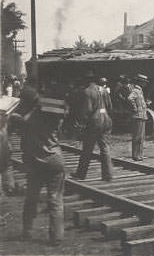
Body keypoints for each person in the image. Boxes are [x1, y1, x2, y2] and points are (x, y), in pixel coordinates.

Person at [12, 96, 67, 245]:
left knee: (31, 198)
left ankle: (27, 232)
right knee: (55, 199)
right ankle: (57, 237)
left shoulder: (29, 121)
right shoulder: (56, 121)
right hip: (55, 161)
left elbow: (18, 119)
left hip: (36, 164)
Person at [72, 72, 114, 180]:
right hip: (106, 120)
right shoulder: (104, 90)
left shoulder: (87, 92)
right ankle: (108, 175)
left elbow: (87, 110)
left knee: (87, 149)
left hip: (94, 122)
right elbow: (110, 107)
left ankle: (81, 174)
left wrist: (81, 123)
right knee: (105, 147)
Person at [127, 74, 149, 161]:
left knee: (141, 137)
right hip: (138, 116)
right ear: (140, 82)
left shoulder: (140, 91)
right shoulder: (135, 91)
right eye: (144, 82)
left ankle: (140, 154)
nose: (145, 84)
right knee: (137, 137)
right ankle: (136, 155)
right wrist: (135, 108)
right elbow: (130, 98)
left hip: (142, 116)